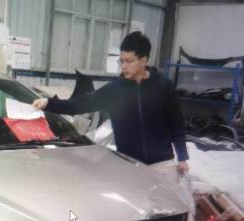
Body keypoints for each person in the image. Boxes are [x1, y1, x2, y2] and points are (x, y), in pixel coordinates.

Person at [33, 31, 189, 185]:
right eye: (121, 61)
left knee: (170, 201)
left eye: (129, 61)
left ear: (143, 60)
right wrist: (49, 103)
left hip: (163, 165)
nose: (123, 66)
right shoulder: (114, 90)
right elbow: (79, 104)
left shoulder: (163, 86)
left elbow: (176, 123)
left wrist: (182, 157)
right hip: (130, 164)